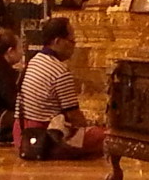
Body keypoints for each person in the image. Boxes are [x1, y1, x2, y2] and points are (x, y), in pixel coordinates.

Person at [14, 18, 104, 160]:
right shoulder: (59, 71)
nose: (73, 47)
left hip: (22, 135)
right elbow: (74, 116)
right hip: (46, 139)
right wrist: (89, 126)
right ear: (57, 42)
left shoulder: (34, 61)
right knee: (104, 137)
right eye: (71, 41)